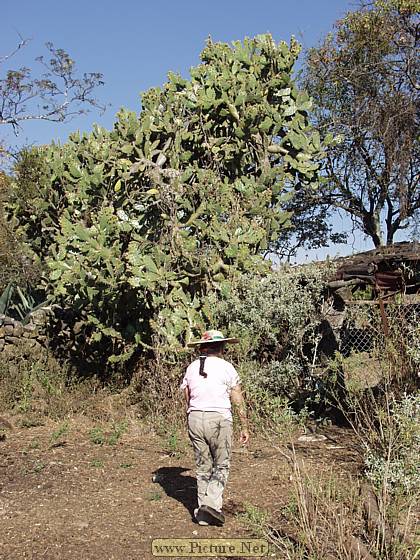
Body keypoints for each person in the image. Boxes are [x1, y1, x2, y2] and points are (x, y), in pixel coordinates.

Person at [181, 329, 249, 526]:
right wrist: (244, 425)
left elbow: (187, 393)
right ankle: (211, 505)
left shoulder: (192, 367)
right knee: (221, 464)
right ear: (221, 347)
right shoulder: (227, 368)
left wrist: (192, 412)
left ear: (202, 347)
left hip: (195, 417)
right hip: (219, 419)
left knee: (203, 466)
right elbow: (237, 397)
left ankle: (203, 511)